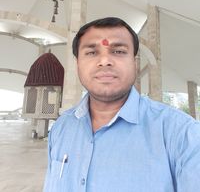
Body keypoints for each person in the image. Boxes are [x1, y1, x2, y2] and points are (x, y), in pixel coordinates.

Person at [43, 17, 200, 192]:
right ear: (77, 64)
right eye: (92, 52)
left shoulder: (182, 135)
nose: (104, 61)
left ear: (134, 61)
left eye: (118, 51)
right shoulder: (61, 128)